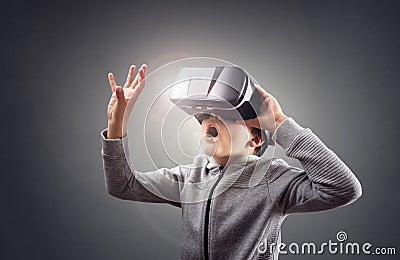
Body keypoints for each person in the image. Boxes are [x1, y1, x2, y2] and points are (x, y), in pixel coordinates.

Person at [100, 64, 362, 260]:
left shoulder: (272, 179)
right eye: (203, 117)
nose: (209, 122)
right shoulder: (191, 177)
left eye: (224, 115)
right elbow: (122, 185)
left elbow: (343, 189)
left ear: (256, 139)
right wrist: (116, 126)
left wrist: (281, 125)